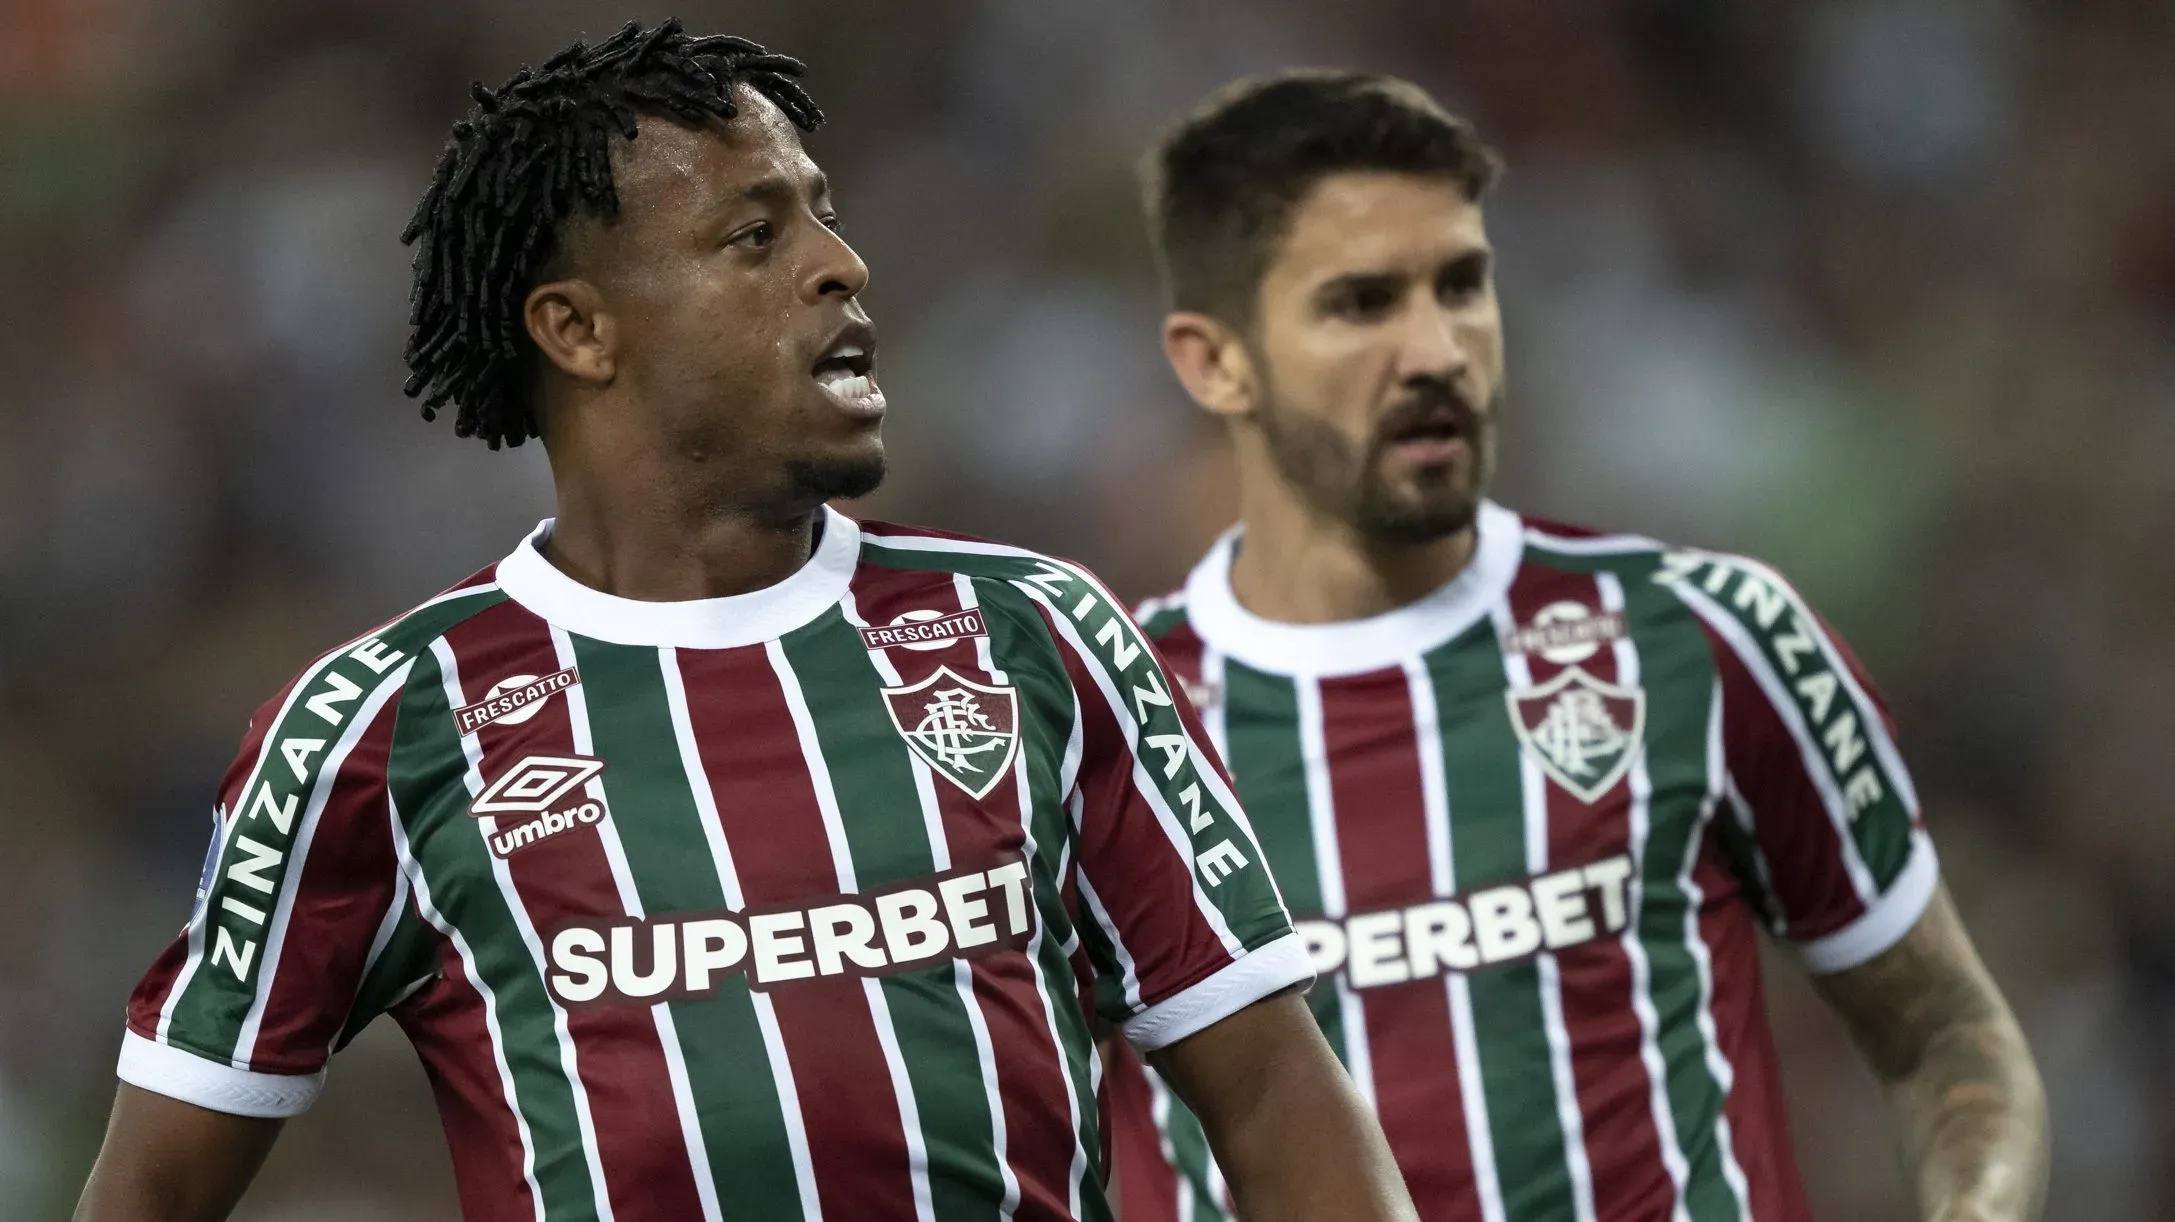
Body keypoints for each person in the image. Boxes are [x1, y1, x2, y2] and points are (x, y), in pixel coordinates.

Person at [72, 25, 1416, 1222]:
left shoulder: (1031, 637)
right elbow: (154, 1185)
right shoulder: (386, 726)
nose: (841, 266)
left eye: (821, 218)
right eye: (752, 236)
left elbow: (1272, 1092)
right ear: (578, 329)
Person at [1103, 71, 2048, 1222]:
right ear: (1215, 361)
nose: (1436, 349)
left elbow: (1945, 1030)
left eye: (1461, 286)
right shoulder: (1101, 723)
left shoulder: (1701, 638)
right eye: (1362, 303)